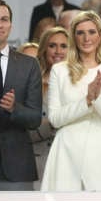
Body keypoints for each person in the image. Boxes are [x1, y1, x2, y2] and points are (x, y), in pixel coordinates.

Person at [41, 11, 101, 191]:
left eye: (91, 32)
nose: (86, 38)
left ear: (100, 36)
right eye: (80, 32)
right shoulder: (60, 70)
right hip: (66, 155)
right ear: (74, 37)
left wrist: (97, 98)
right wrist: (87, 100)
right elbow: (55, 119)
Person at [0, 0, 42, 190]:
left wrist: (15, 109)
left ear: (11, 24)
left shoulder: (29, 65)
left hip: (18, 166)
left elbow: (35, 118)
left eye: (4, 19)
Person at [31, 26, 69, 189]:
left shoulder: (81, 81)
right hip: (39, 162)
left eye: (63, 46)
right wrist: (52, 124)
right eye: (52, 45)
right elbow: (24, 126)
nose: (58, 51)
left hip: (70, 160)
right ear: (44, 49)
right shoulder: (32, 82)